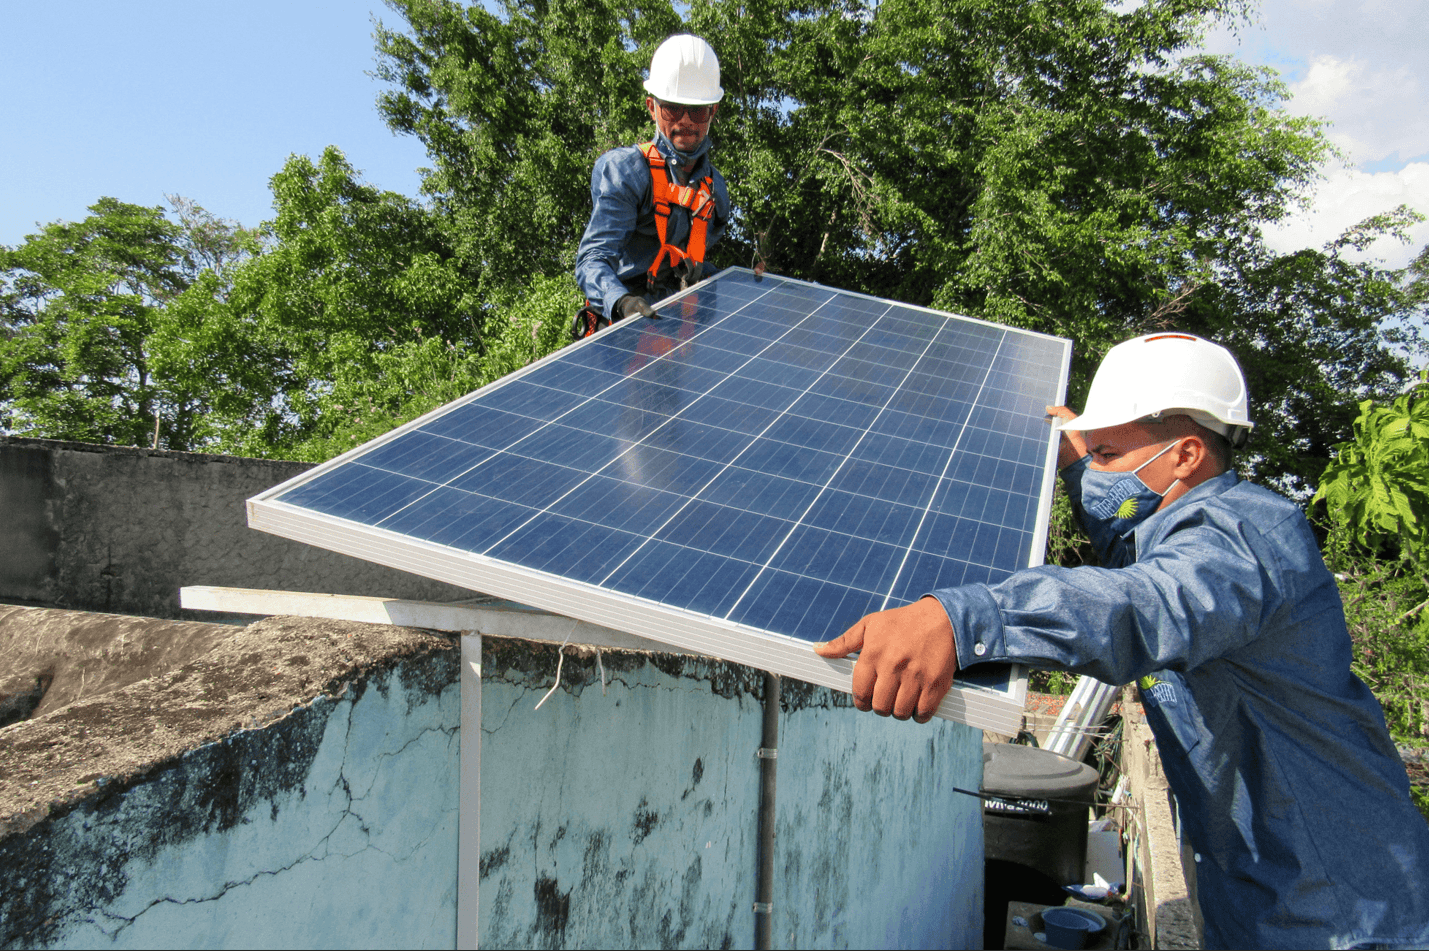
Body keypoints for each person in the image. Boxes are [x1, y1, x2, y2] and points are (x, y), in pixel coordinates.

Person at [815, 332, 1429, 950]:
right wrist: (1083, 466)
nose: (1099, 467)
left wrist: (961, 618)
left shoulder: (1244, 540)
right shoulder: (1181, 524)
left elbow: (1146, 604)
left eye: (1109, 451)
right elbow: (1132, 547)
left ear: (1185, 455)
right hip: (1258, 898)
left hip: (1347, 918)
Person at [572, 34, 731, 339]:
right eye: (673, 108)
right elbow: (593, 259)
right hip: (623, 331)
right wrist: (622, 302)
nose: (685, 121)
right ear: (652, 107)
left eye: (697, 111)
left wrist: (746, 286)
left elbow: (691, 268)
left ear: (713, 112)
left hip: (677, 333)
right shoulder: (627, 172)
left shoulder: (715, 191)